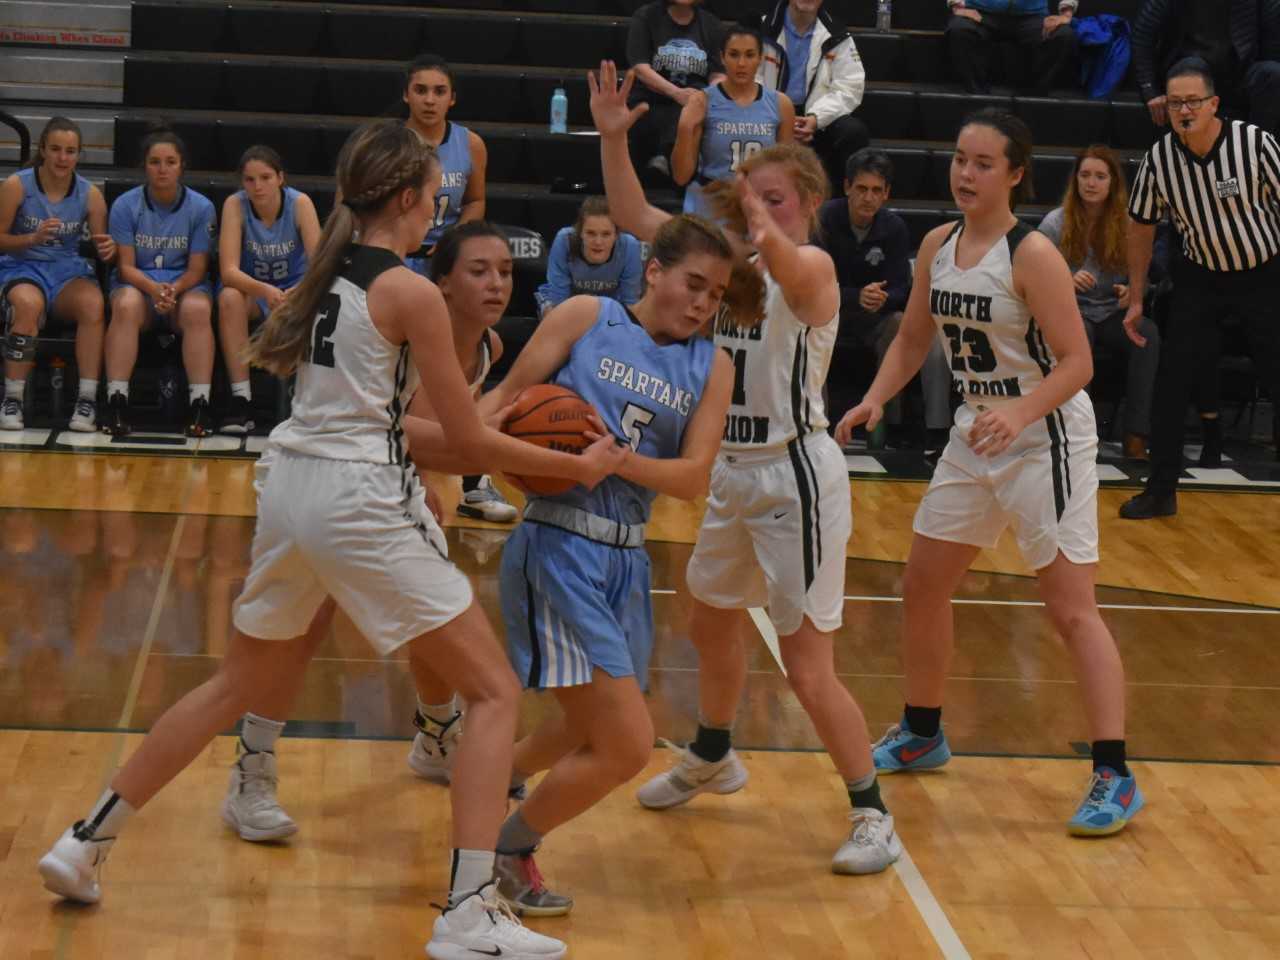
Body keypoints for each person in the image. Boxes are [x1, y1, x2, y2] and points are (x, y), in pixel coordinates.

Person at [37, 120, 625, 960]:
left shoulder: (327, 272)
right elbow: (464, 444)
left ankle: (83, 842)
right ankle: (465, 911)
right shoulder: (413, 293)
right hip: (357, 495)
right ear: (408, 198)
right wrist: (575, 465)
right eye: (433, 196)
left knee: (237, 683)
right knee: (493, 693)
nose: (439, 210)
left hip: (289, 487)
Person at [592, 60, 902, 875]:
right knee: (708, 616)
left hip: (795, 474)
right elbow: (631, 214)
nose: (761, 212)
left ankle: (872, 811)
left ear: (806, 206)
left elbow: (795, 271)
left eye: (779, 200)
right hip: (732, 472)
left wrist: (763, 231)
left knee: (806, 665)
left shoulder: (815, 269)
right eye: (752, 197)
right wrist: (614, 140)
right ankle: (714, 753)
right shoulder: (725, 266)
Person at [835, 108, 1143, 837]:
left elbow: (1079, 363)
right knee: (922, 584)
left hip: (1045, 438)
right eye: (959, 159)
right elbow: (914, 337)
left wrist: (1023, 412)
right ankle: (923, 729)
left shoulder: (1030, 255)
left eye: (981, 163)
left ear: (1013, 174)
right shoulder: (938, 245)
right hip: (980, 431)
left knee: (1071, 610)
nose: (964, 173)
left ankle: (1115, 772)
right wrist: (874, 398)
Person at [217, 221, 518, 846]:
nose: (496, 284)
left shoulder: (487, 344)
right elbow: (395, 427)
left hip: (390, 479)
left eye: (505, 272)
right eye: (479, 271)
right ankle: (253, 770)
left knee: (435, 612)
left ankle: (436, 737)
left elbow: (435, 434)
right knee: (307, 622)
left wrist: (436, 476)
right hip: (338, 471)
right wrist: (522, 458)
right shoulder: (408, 315)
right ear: (441, 284)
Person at [475, 213, 739, 916]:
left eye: (715, 294)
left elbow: (692, 478)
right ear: (653, 271)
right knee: (627, 746)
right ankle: (504, 847)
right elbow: (501, 406)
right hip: (559, 541)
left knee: (580, 727)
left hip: (628, 559)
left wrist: (619, 461)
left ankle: (480, 781)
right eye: (691, 284)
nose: (700, 303)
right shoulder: (586, 315)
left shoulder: (713, 363)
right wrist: (473, 448)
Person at [1119, 58, 1280, 519]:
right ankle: (1161, 489)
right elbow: (1141, 226)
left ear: (1214, 104)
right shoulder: (1159, 159)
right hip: (1200, 276)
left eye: (1192, 101)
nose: (1183, 110)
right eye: (1174, 103)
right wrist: (1134, 297)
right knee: (1172, 383)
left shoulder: (1256, 144)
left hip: (1264, 271)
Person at [400, 55, 513, 524]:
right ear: (406, 95)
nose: (429, 99)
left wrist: (453, 245)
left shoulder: (470, 144)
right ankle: (412, 471)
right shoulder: (391, 144)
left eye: (438, 91)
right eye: (421, 90)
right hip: (401, 259)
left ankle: (473, 479)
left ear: (452, 97)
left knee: (480, 346)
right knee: (415, 368)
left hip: (448, 258)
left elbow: (476, 200)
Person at [818, 148, 951, 451]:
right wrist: (854, 296)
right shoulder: (824, 218)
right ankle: (817, 424)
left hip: (873, 319)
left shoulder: (894, 228)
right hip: (829, 313)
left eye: (877, 190)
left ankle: (887, 425)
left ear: (887, 194)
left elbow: (903, 290)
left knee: (900, 324)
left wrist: (883, 298)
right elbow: (811, 285)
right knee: (808, 323)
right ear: (847, 187)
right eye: (862, 189)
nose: (868, 197)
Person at [1037, 145, 1160, 460]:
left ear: (1113, 184)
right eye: (1085, 175)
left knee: (1146, 335)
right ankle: (1080, 434)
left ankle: (1136, 434)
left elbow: (1144, 277)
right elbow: (1031, 275)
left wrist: (1132, 293)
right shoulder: (1055, 222)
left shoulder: (1129, 224)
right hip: (1070, 311)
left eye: (1099, 176)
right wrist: (1066, 279)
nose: (1091, 183)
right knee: (1080, 335)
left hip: (1110, 313)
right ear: (1075, 180)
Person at [0, 117, 115, 432]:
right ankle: (13, 397)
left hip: (66, 271)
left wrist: (108, 250)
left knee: (93, 305)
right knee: (26, 305)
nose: (63, 158)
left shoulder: (90, 194)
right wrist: (31, 239)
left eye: (70, 151)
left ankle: (87, 400)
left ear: (79, 155)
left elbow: (103, 246)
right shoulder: (17, 185)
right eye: (56, 150)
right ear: (43, 150)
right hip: (21, 265)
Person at [103, 126, 217, 438]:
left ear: (182, 166)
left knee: (197, 309)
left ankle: (200, 403)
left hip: (184, 286)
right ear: (144, 166)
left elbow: (197, 269)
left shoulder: (201, 207)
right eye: (155, 161)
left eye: (170, 161)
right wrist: (154, 290)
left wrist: (173, 290)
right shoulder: (126, 205)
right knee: (124, 305)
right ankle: (117, 400)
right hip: (139, 286)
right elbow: (125, 267)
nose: (162, 168)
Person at [215, 145, 321, 435]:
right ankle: (241, 398)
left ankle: (307, 398)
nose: (257, 186)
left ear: (280, 178)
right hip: (257, 291)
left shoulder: (300, 204)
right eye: (250, 179)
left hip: (297, 288)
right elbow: (229, 271)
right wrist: (266, 291)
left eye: (265, 177)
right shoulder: (235, 205)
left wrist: (294, 292)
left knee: (326, 296)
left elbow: (320, 266)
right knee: (228, 298)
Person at [672, 24, 794, 220]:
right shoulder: (703, 101)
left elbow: (785, 172)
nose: (742, 63)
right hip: (712, 199)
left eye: (749, 55)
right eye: (734, 54)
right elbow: (681, 176)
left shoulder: (781, 104)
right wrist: (685, 128)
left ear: (760, 59)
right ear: (722, 57)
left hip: (759, 201)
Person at [756, 0, 869, 192]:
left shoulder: (837, 34)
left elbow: (850, 86)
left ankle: (837, 209)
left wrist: (816, 119)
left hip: (815, 119)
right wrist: (778, 116)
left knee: (853, 132)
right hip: (768, 115)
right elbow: (750, 79)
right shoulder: (761, 27)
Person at [1132, 0, 1280, 135]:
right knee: (1191, 71)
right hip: (1190, 72)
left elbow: (1272, 47)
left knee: (1272, 73)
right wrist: (1149, 89)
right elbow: (1142, 35)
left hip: (1240, 75)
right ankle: (1191, 153)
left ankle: (1256, 148)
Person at [626, 0, 726, 179]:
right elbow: (640, 67)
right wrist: (675, 92)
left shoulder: (712, 25)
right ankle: (664, 159)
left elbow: (718, 74)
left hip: (692, 101)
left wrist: (704, 95)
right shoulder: (646, 17)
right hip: (652, 98)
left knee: (690, 114)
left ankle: (671, 164)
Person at [534, 196, 643, 317]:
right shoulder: (565, 240)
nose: (598, 242)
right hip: (569, 302)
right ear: (580, 232)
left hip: (612, 305)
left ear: (616, 235)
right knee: (551, 315)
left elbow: (630, 303)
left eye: (606, 234)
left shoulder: (629, 246)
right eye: (591, 233)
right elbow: (559, 299)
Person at [945, 0, 1079, 94]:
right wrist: (958, 7)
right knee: (959, 29)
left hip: (1032, 16)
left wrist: (1066, 14)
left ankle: (1035, 97)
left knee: (1063, 35)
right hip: (981, 12)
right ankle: (977, 96)